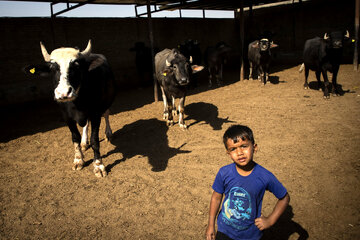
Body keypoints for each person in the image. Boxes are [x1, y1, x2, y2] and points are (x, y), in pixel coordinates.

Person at [206, 124, 290, 240]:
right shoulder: (224, 173)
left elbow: (284, 197)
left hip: (250, 235)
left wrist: (270, 220)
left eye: (244, 146)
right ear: (228, 153)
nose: (239, 152)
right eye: (233, 149)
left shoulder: (264, 176)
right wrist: (211, 225)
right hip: (224, 231)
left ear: (254, 147)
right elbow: (216, 197)